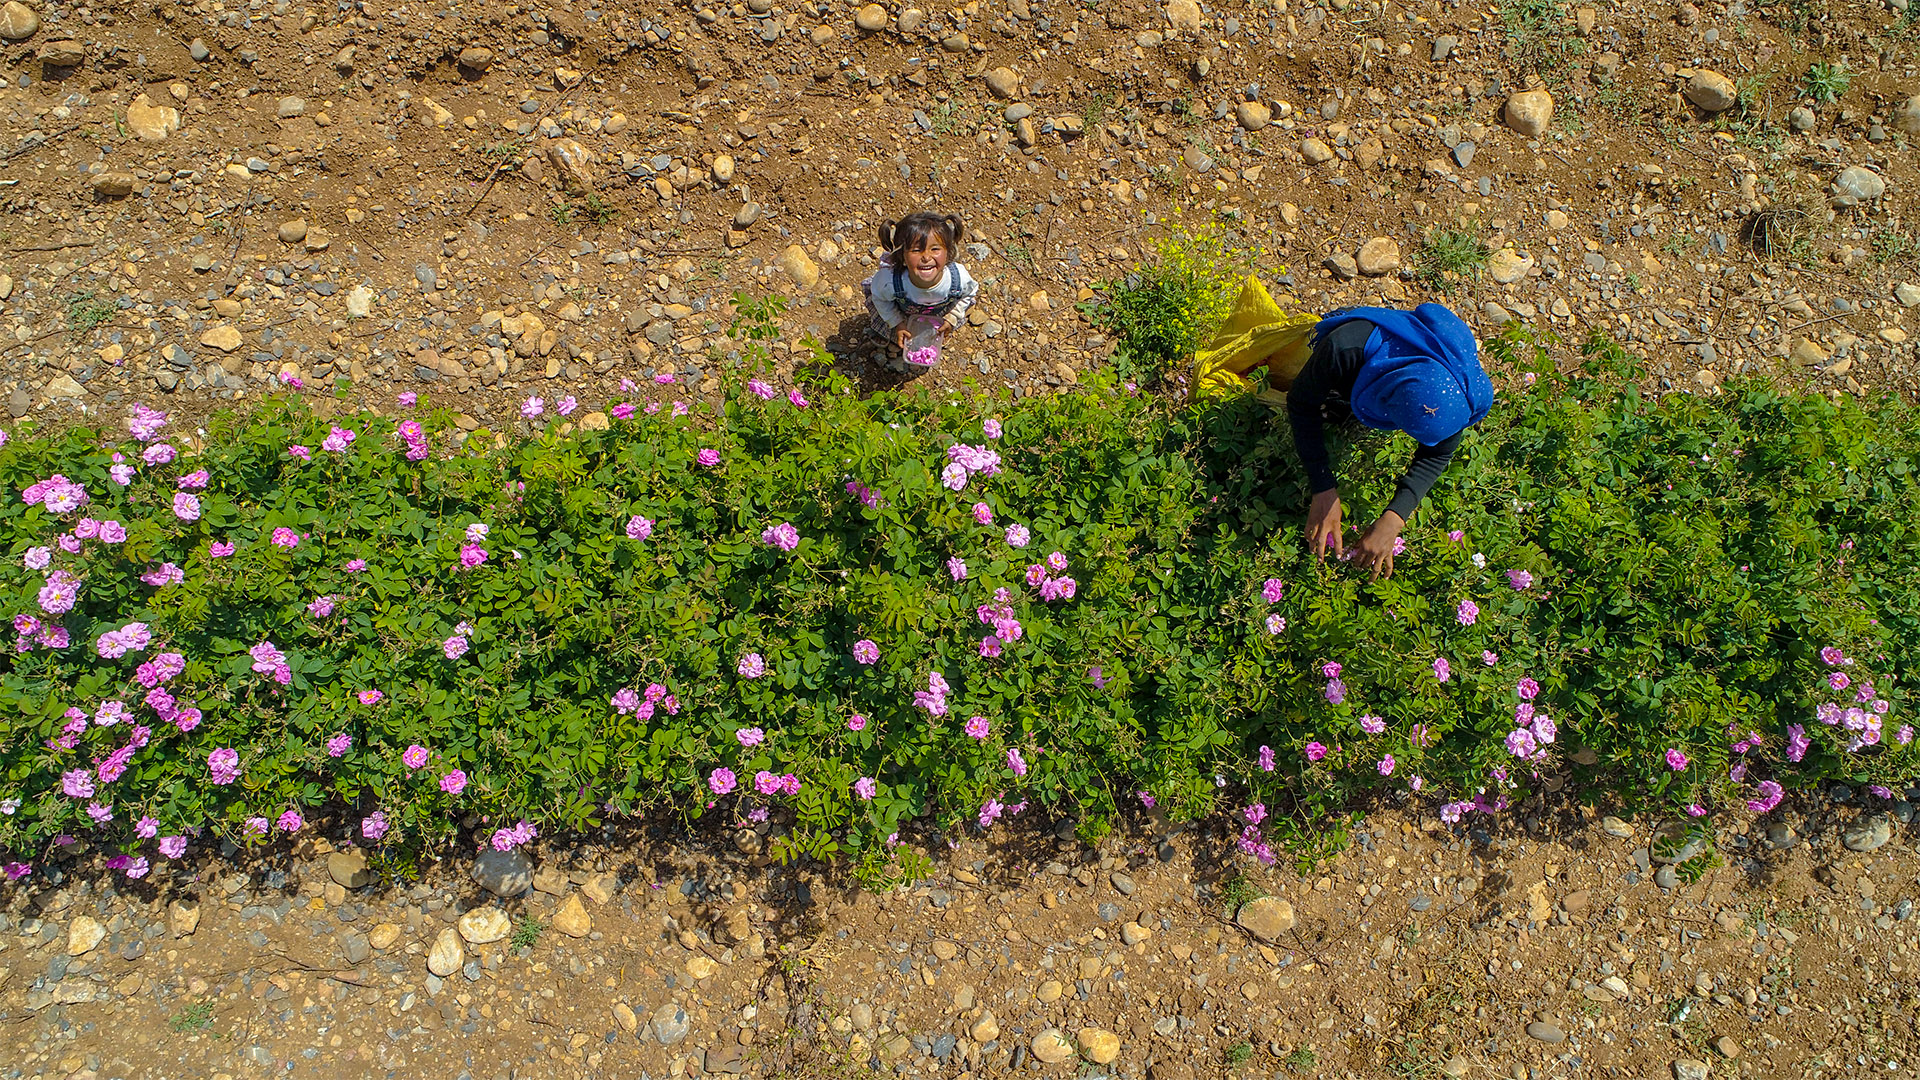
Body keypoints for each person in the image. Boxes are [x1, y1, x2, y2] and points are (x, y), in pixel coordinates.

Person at [1287, 303, 1493, 578]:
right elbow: (1301, 404)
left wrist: (1395, 518)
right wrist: (1322, 488)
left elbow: (1437, 455)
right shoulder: (1345, 347)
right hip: (1365, 348)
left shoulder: (1463, 399)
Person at [863, 212, 980, 372]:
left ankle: (934, 336)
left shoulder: (958, 279)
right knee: (889, 324)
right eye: (916, 250)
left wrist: (952, 317)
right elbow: (879, 299)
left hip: (939, 312)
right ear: (902, 255)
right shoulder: (889, 281)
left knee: (939, 328)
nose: (926, 257)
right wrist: (896, 322)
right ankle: (889, 334)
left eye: (935, 249)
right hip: (902, 312)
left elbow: (970, 293)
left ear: (948, 252)